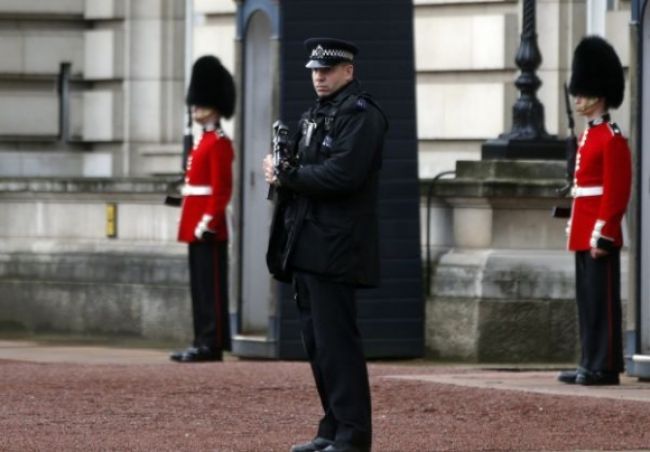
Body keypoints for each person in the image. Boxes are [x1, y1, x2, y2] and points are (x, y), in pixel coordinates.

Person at [263, 38, 388, 452]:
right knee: (318, 346)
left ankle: (353, 435)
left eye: (328, 70)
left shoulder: (361, 115)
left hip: (336, 245)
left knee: (338, 345)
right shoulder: (315, 115)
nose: (319, 76)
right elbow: (299, 169)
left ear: (348, 71)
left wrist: (288, 176)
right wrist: (279, 170)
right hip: (308, 242)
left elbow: (342, 176)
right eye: (315, 70)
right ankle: (332, 427)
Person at [558, 36, 632, 385]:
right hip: (583, 229)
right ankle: (589, 360)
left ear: (598, 94)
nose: (577, 99)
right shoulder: (589, 136)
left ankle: (605, 366)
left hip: (599, 232)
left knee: (602, 303)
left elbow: (616, 193)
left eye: (583, 92)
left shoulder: (612, 137)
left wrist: (603, 233)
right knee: (587, 303)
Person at [170, 55, 235, 363]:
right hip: (194, 221)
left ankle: (212, 342)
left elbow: (221, 190)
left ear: (215, 105)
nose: (195, 107)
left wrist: (208, 220)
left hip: (207, 225)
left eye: (200, 103)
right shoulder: (203, 141)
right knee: (199, 287)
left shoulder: (220, 143)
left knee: (211, 287)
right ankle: (201, 339)